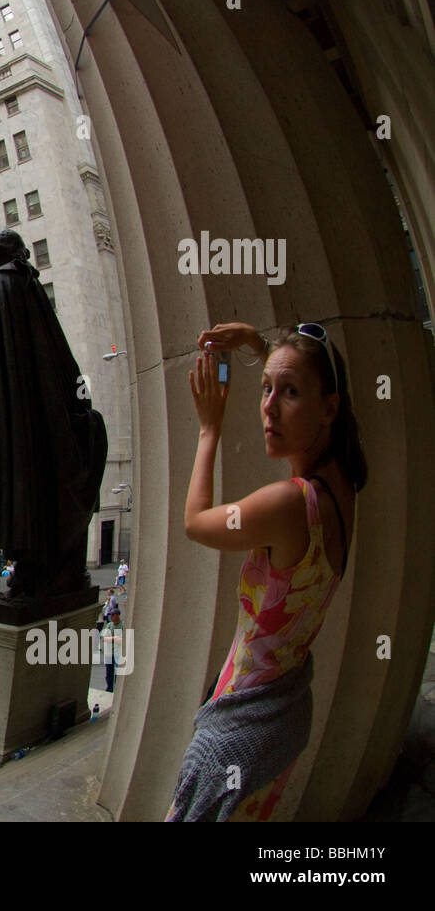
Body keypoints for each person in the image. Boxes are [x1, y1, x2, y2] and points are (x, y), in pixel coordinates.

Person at [166, 321, 366, 822]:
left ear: (330, 407)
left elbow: (194, 522)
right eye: (266, 389)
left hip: (239, 726)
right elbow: (312, 375)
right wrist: (260, 347)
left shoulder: (288, 504)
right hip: (284, 714)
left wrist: (210, 428)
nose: (269, 407)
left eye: (290, 392)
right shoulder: (342, 486)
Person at [0, 229, 107, 596]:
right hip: (36, 420)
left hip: (2, 421)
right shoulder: (31, 289)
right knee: (26, 489)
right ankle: (31, 569)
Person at [101, 609, 123, 692]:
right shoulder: (109, 625)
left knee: (118, 672)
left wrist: (111, 639)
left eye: (113, 615)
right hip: (109, 653)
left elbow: (122, 640)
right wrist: (114, 638)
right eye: (111, 615)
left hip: (118, 652)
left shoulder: (122, 625)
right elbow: (103, 638)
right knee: (109, 672)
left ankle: (117, 689)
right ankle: (109, 688)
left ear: (117, 615)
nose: (111, 617)